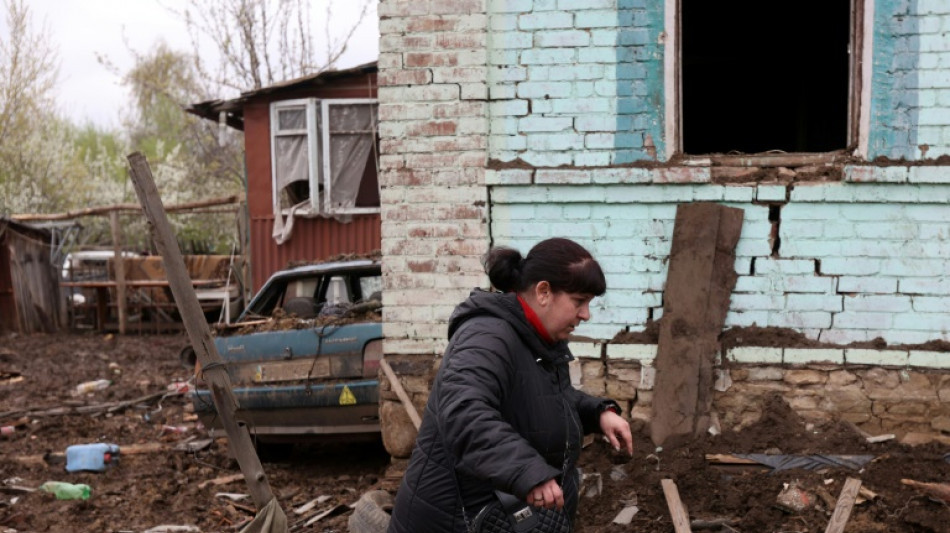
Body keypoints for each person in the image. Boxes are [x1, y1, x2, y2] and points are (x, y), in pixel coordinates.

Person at [387, 237, 634, 533]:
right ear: (543, 291)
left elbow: (544, 400)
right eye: (579, 302)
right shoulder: (486, 337)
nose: (585, 315)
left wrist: (598, 413)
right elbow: (465, 413)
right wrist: (528, 471)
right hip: (455, 521)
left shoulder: (534, 339)